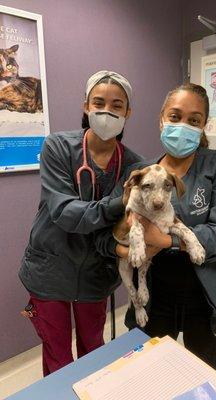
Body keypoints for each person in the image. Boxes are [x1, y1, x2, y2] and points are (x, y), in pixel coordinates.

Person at [95, 83, 216, 374]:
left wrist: (166, 240)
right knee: (148, 378)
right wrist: (120, 247)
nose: (183, 126)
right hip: (155, 299)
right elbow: (108, 229)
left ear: (204, 125)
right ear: (161, 119)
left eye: (194, 120)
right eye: (175, 116)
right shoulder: (142, 172)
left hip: (208, 299)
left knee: (201, 381)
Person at [19, 70, 143, 376]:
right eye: (98, 102)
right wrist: (118, 202)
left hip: (95, 274)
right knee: (57, 356)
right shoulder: (57, 147)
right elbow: (64, 212)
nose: (106, 111)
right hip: (50, 270)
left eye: (117, 105)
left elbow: (120, 227)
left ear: (128, 112)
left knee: (93, 352)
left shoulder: (133, 165)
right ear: (86, 106)